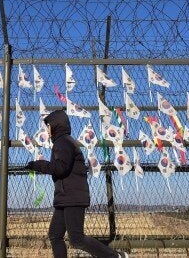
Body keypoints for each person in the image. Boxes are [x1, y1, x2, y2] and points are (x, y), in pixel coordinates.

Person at [25, 109, 129, 258]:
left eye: (48, 126)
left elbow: (60, 168)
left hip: (72, 197)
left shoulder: (63, 142)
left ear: (56, 125)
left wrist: (38, 165)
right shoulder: (64, 142)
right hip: (66, 197)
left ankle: (115, 256)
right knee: (55, 235)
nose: (47, 130)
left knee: (76, 238)